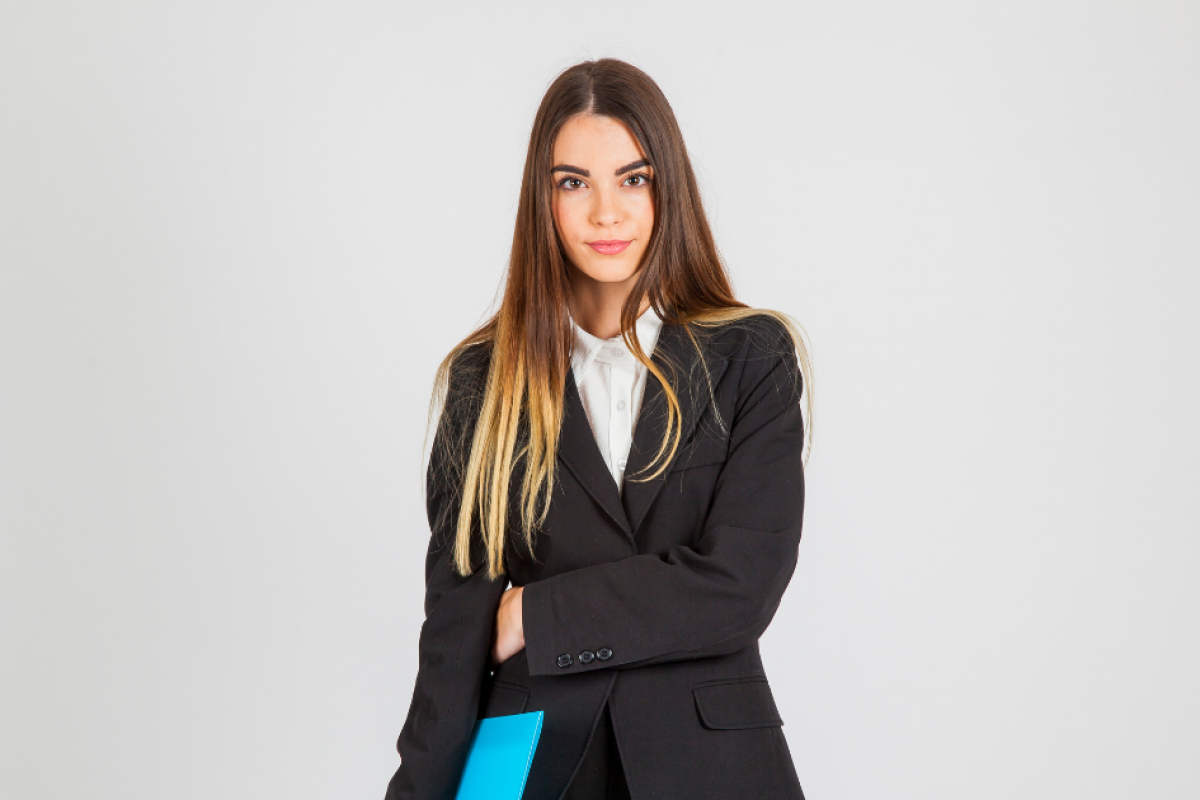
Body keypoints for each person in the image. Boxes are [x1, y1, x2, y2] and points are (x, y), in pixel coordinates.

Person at [384, 58, 814, 800]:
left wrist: (537, 614)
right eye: (573, 182)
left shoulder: (752, 356)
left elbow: (740, 586)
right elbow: (454, 646)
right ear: (542, 199)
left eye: (633, 179)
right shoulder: (484, 383)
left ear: (666, 189)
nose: (605, 213)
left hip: (714, 769)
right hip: (538, 768)